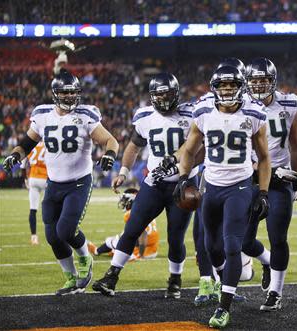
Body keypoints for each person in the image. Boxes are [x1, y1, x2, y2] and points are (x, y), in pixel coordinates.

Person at [3, 69, 119, 295]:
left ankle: (85, 258)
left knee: (66, 231)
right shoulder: (43, 115)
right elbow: (26, 143)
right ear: (55, 94)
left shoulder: (86, 115)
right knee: (52, 236)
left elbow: (110, 140)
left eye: (73, 93)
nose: (69, 97)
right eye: (65, 93)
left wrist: (109, 155)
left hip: (78, 182)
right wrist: (14, 156)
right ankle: (70, 278)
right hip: (53, 183)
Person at [174, 65, 271, 328]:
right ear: (214, 89)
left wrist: (262, 191)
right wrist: (184, 178)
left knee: (231, 246)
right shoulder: (204, 112)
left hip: (238, 187)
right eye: (222, 86)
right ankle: (222, 283)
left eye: (232, 85)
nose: (227, 90)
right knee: (211, 247)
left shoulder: (254, 114)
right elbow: (189, 150)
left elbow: (264, 158)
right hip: (211, 187)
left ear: (241, 87)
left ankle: (223, 306)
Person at [92, 73, 197, 298]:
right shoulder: (144, 116)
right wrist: (123, 172)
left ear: (176, 94)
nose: (163, 99)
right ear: (151, 97)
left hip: (183, 183)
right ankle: (112, 276)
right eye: (158, 95)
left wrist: (179, 166)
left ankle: (175, 279)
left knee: (175, 237)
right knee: (132, 229)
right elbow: (133, 147)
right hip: (155, 183)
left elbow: (197, 148)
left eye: (167, 94)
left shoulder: (192, 114)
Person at [243, 57, 297, 311]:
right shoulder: (240, 106)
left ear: (273, 81)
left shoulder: (289, 104)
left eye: (263, 80)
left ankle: (276, 292)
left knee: (278, 236)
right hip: (249, 178)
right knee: (243, 241)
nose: (258, 85)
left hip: (280, 181)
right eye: (254, 80)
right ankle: (266, 261)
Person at [88, 188, 159, 260]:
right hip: (153, 251)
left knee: (113, 240)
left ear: (131, 200)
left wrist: (141, 255)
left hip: (142, 251)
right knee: (124, 236)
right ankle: (112, 251)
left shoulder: (130, 213)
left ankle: (96, 251)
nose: (123, 202)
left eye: (125, 200)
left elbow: (143, 234)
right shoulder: (147, 209)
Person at [20, 141, 47, 245]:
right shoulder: (48, 143)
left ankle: (34, 237)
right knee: (49, 208)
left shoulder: (30, 145)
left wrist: (25, 180)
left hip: (33, 178)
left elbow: (23, 166)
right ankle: (52, 233)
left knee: (33, 209)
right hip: (45, 178)